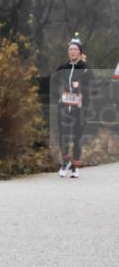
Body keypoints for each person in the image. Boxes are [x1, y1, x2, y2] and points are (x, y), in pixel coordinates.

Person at [55, 36, 93, 178]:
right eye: (70, 49)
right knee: (63, 135)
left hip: (80, 109)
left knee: (77, 136)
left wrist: (81, 89)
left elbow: (93, 88)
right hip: (64, 107)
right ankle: (65, 163)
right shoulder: (62, 68)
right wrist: (59, 94)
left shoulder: (86, 69)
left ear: (80, 52)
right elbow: (53, 84)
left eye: (75, 49)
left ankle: (75, 166)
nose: (72, 52)